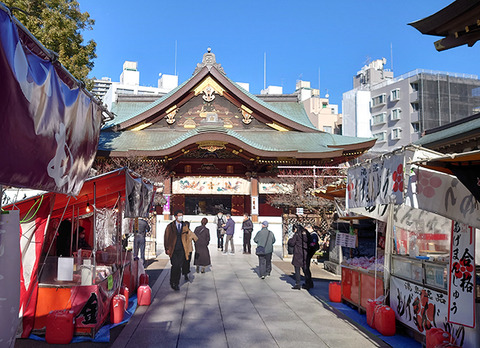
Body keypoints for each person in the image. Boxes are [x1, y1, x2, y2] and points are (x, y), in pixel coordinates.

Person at [164, 210, 188, 291]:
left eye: (182, 215)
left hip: (181, 249)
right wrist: (167, 248)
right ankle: (172, 281)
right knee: (175, 265)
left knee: (179, 266)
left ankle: (176, 283)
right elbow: (166, 238)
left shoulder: (184, 225)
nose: (181, 217)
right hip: (173, 249)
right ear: (175, 216)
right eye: (179, 215)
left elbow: (187, 237)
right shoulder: (170, 226)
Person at [287, 224, 308, 290]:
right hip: (305, 253)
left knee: (297, 268)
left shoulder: (297, 234)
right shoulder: (305, 233)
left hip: (298, 253)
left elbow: (292, 243)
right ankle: (308, 283)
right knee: (305, 269)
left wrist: (289, 240)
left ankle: (298, 284)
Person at [303, 224, 319, 289]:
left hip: (310, 252)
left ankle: (309, 282)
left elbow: (313, 244)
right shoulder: (312, 235)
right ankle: (309, 282)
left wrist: (308, 246)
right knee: (306, 267)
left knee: (306, 268)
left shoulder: (314, 235)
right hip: (309, 252)